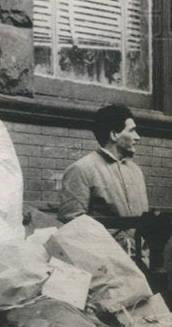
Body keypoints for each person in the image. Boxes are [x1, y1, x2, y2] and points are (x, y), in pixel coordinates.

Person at [59, 104, 149, 248]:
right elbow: (72, 223)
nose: (137, 137)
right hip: (103, 262)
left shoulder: (136, 171)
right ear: (114, 135)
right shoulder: (81, 169)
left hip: (141, 259)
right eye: (131, 131)